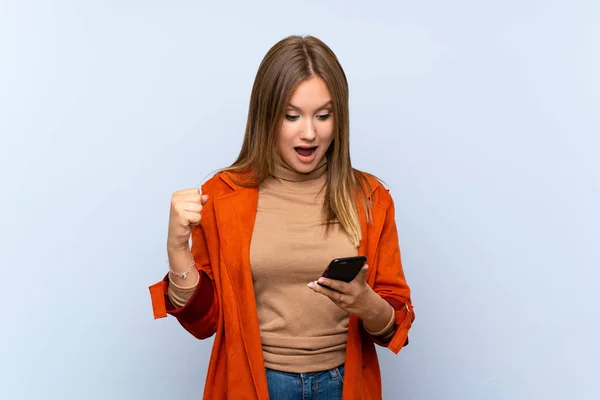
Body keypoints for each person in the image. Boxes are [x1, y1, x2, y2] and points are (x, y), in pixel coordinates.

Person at [148, 34, 415, 400]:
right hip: (257, 384)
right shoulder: (224, 194)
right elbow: (204, 323)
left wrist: (365, 303)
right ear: (266, 115)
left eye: (324, 115)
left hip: (343, 385)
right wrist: (176, 247)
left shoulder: (371, 199)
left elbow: (394, 325)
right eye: (292, 116)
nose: (309, 132)